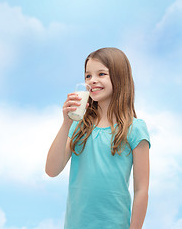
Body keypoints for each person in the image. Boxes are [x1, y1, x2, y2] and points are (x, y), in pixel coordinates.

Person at [45, 47, 151, 229]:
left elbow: (141, 190)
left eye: (101, 74)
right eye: (88, 76)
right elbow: (52, 170)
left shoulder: (135, 129)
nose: (92, 81)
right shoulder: (78, 126)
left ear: (119, 77)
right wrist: (66, 123)